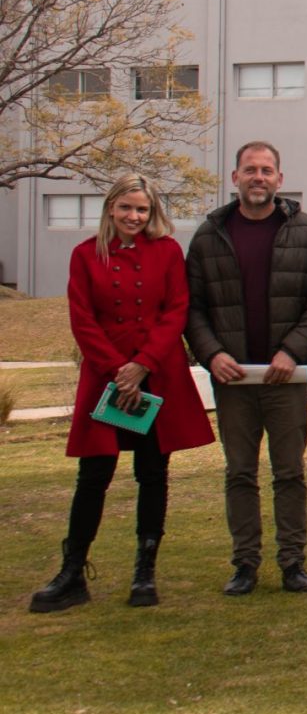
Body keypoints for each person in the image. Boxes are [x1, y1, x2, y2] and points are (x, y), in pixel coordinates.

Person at [30, 175, 215, 613]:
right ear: (110, 207)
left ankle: (144, 573)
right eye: (127, 208)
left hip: (156, 375)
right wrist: (118, 370)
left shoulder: (167, 252)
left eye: (143, 210)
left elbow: (176, 310)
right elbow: (83, 319)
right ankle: (72, 572)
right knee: (94, 476)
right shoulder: (84, 255)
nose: (134, 217)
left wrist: (142, 364)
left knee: (153, 474)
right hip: (106, 379)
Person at [185, 141, 307, 596]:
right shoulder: (210, 235)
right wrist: (212, 354)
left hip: (283, 378)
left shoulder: (305, 231)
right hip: (233, 380)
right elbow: (192, 307)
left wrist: (293, 351)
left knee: (289, 472)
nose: (258, 177)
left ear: (280, 179)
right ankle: (245, 565)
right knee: (239, 474)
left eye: (266, 170)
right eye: (250, 170)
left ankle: (293, 562)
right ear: (235, 178)